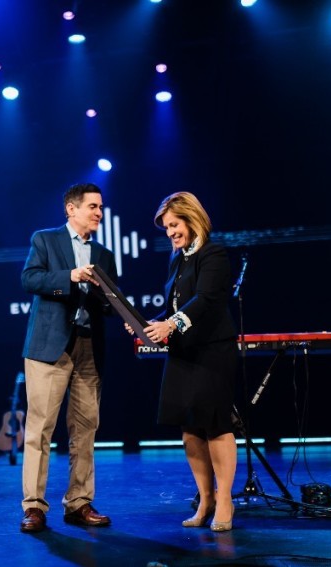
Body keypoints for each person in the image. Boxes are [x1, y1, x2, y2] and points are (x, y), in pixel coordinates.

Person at [129, 191, 238, 532]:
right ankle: (204, 498)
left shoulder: (213, 253)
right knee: (190, 430)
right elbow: (175, 307)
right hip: (183, 353)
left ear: (192, 219)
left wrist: (171, 324)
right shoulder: (177, 259)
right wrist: (147, 324)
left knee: (216, 424)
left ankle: (224, 500)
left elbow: (205, 300)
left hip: (212, 351)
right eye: (166, 227)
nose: (170, 233)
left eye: (174, 225)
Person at [19, 182, 118, 533]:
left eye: (101, 207)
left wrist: (107, 295)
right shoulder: (45, 240)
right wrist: (70, 277)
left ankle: (79, 503)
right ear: (71, 209)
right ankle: (34, 507)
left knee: (86, 429)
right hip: (50, 348)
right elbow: (29, 279)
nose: (99, 213)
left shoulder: (104, 254)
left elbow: (112, 302)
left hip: (89, 347)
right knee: (40, 429)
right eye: (93, 206)